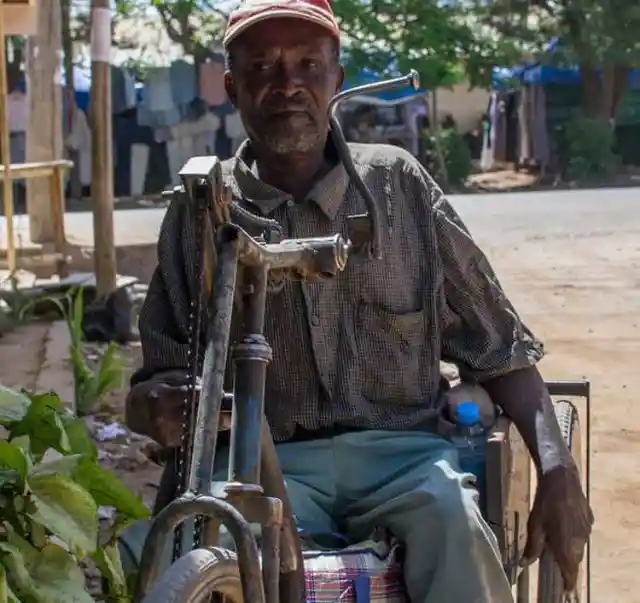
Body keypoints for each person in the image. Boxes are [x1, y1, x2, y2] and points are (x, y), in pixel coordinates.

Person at [126, 0, 593, 601]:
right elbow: (154, 387)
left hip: (409, 459)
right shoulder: (198, 212)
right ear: (232, 87)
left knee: (454, 525)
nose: (287, 84)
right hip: (271, 468)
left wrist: (558, 470)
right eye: (263, 67)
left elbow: (499, 349)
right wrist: (158, 405)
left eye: (307, 65)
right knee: (191, 551)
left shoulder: (398, 187)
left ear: (336, 80)